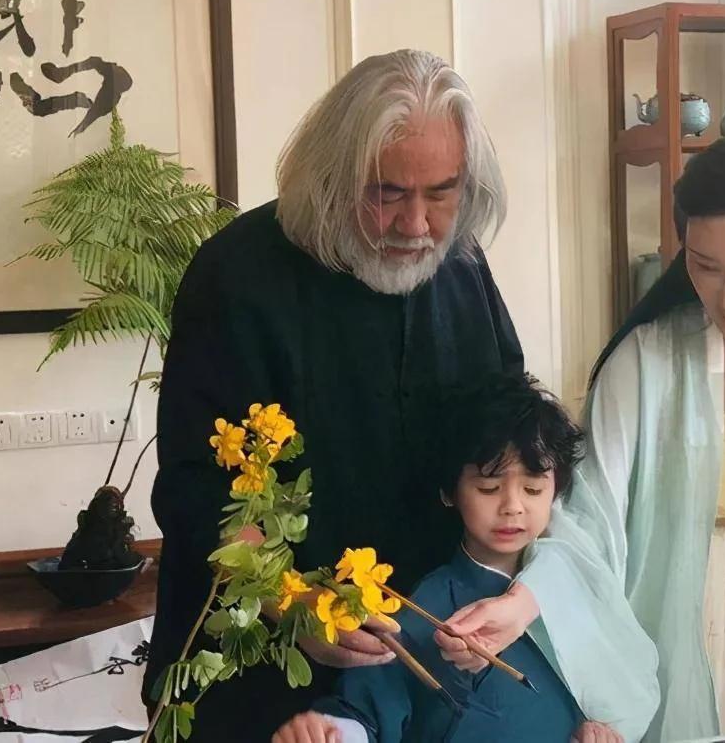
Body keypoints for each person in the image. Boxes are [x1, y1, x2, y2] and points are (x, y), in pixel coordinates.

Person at [437, 137, 725, 741]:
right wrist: (525, 603)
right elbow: (590, 519)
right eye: (705, 266)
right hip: (684, 618)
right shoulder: (647, 358)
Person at [145, 50, 525, 741]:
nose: (416, 225)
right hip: (261, 674)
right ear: (330, 176)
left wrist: (520, 589)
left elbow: (514, 438)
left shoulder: (461, 267)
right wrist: (290, 604)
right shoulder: (237, 276)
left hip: (423, 668)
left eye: (441, 194)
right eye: (387, 194)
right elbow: (195, 488)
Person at [272, 374, 656, 743]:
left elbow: (612, 691)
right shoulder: (429, 604)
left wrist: (595, 729)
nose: (513, 507)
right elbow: (368, 711)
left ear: (556, 490)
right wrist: (330, 731)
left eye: (533, 489)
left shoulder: (573, 582)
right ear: (449, 491)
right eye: (489, 487)